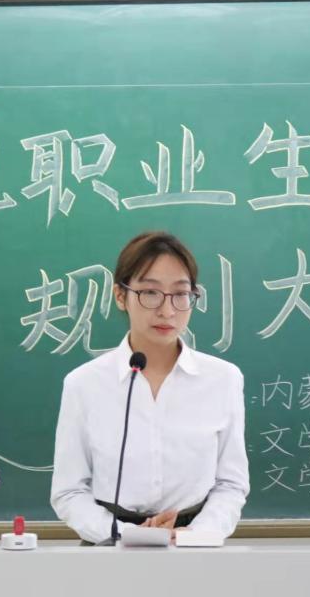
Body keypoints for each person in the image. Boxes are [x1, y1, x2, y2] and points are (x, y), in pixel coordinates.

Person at [50, 231, 249, 545]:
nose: (167, 311)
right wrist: (126, 534)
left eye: (180, 294)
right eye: (150, 293)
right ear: (120, 295)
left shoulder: (223, 379)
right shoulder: (84, 384)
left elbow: (231, 485)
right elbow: (69, 491)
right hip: (109, 544)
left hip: (194, 545)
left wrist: (194, 534)